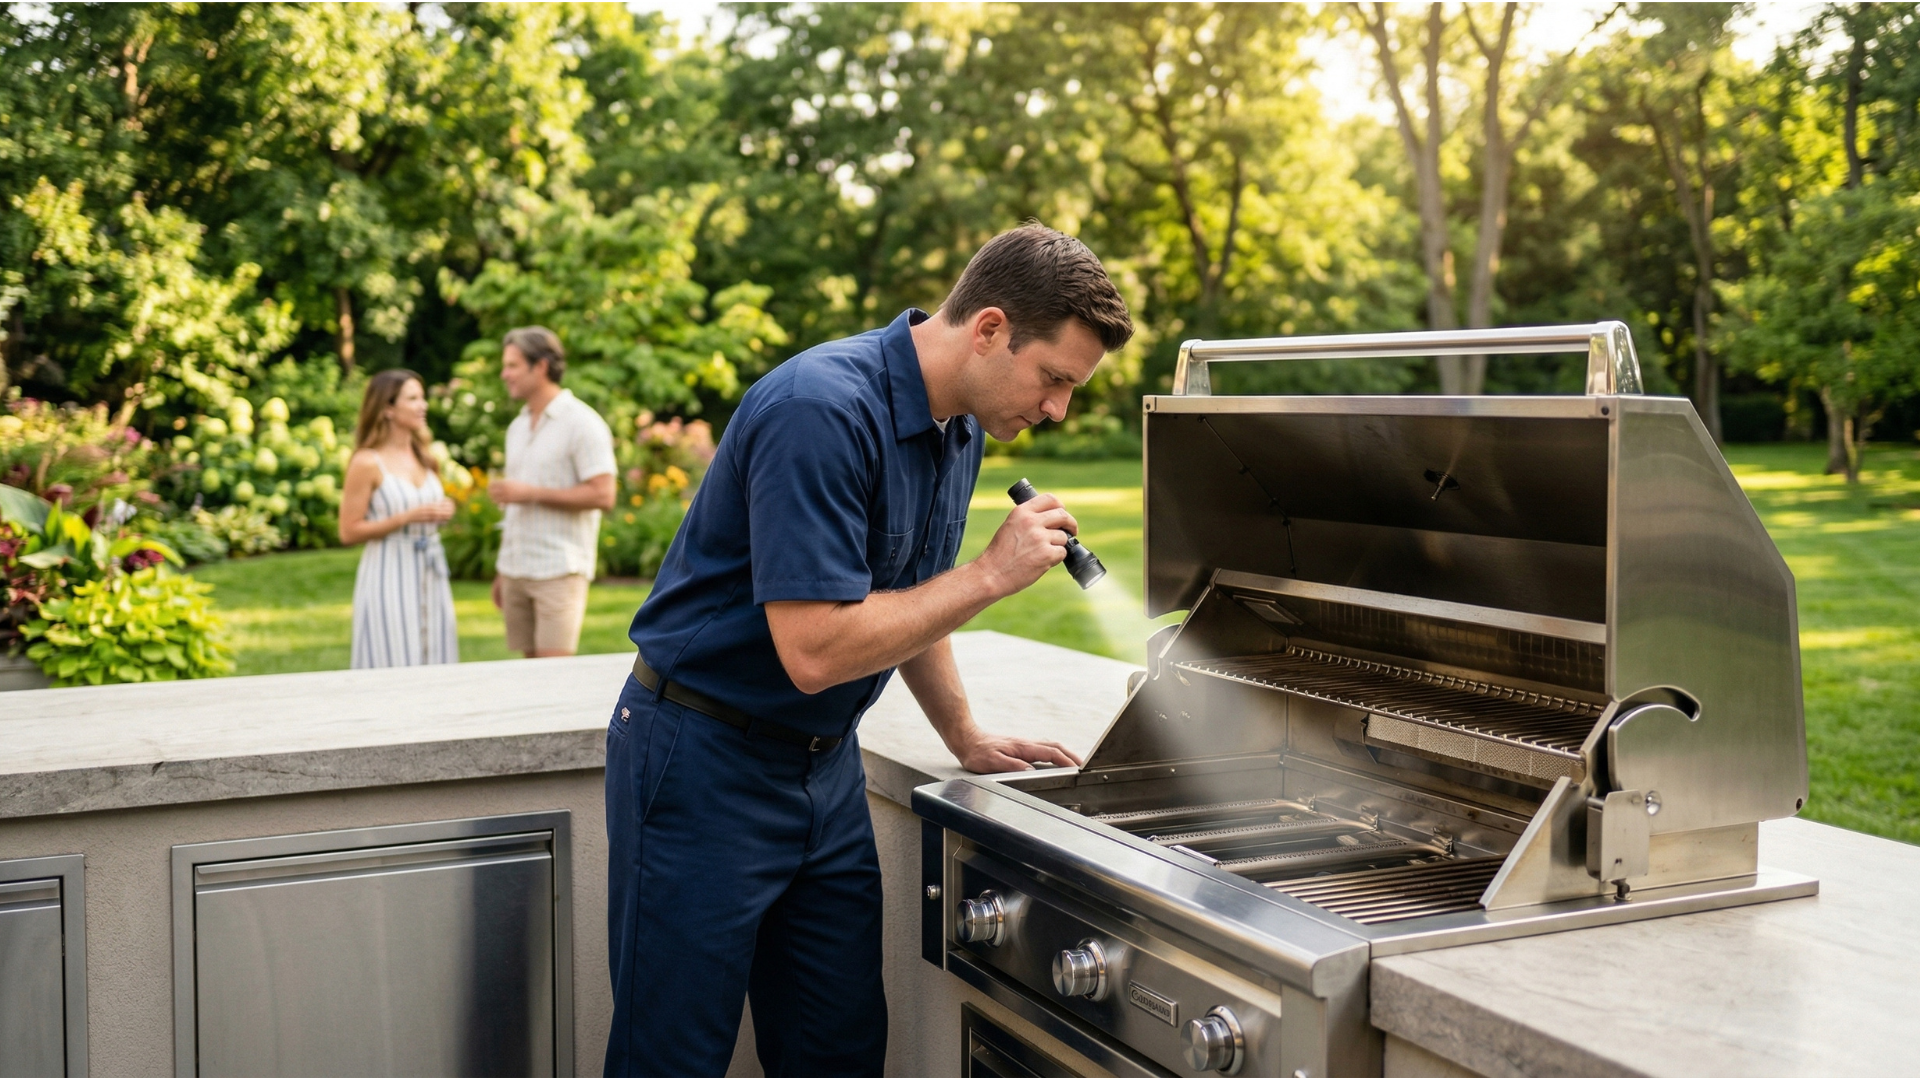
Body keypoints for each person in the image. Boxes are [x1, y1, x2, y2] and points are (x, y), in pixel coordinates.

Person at [605, 224, 1135, 1076]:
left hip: (824, 771)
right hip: (699, 763)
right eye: (1055, 378)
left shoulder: (959, 427)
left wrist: (964, 736)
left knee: (839, 1052)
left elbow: (905, 601)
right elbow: (815, 649)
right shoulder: (818, 410)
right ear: (990, 329)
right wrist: (990, 576)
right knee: (671, 1058)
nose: (1057, 409)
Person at [488, 326, 617, 658]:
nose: (504, 374)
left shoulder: (583, 423)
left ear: (541, 366)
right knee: (527, 674)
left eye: (512, 365)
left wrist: (530, 493)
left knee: (554, 675)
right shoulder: (517, 427)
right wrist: (503, 570)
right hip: (516, 569)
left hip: (558, 570)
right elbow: (514, 509)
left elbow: (603, 495)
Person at [339, 369, 459, 668]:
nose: (423, 405)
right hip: (389, 571)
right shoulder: (367, 462)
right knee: (393, 657)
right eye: (413, 398)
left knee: (438, 656)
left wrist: (444, 511)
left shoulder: (425, 457)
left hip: (431, 571)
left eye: (422, 397)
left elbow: (426, 509)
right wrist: (405, 518)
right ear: (388, 409)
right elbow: (348, 531)